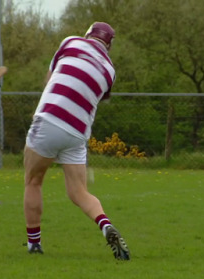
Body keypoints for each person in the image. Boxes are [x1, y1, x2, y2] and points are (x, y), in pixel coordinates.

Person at [23, 22, 130, 260]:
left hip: (49, 118)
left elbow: (51, 78)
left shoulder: (70, 42)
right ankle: (105, 226)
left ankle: (34, 244)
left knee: (33, 181)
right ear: (109, 45)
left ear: (88, 35)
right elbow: (95, 96)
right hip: (78, 131)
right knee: (79, 192)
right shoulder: (110, 71)